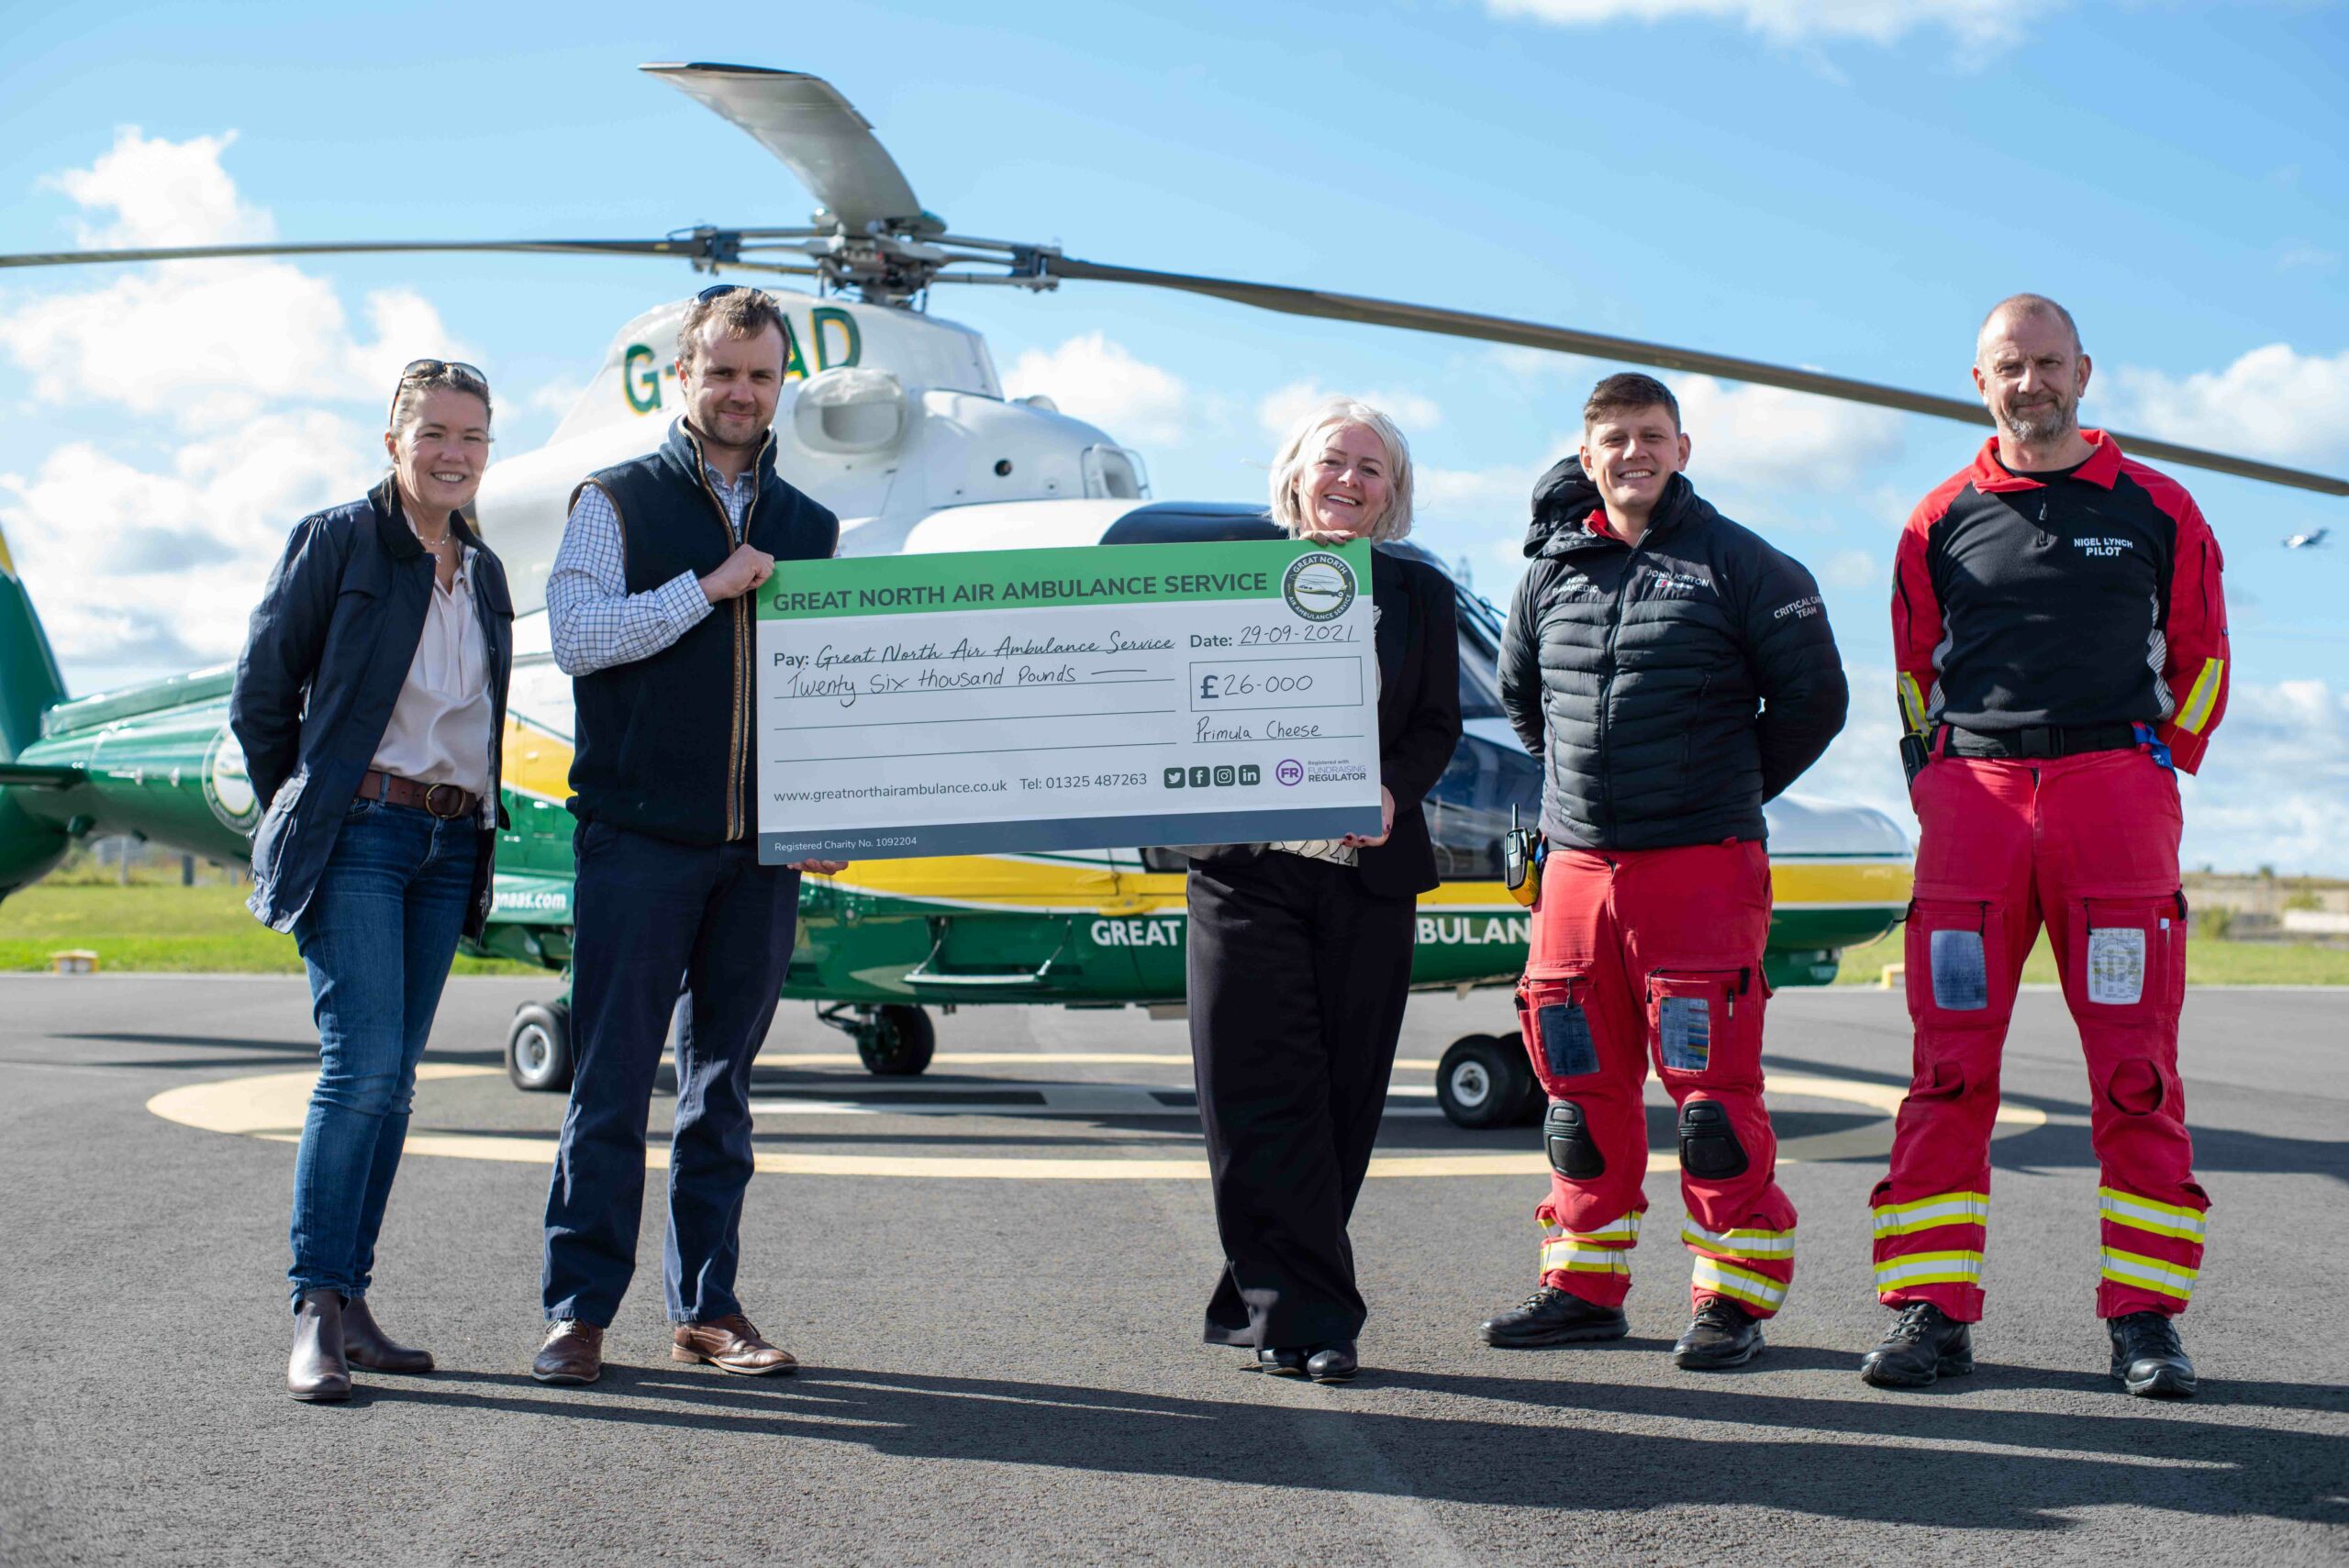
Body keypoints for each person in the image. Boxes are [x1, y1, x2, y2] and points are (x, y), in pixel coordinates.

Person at [1862, 295, 2228, 1398]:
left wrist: (2155, 765)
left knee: (2133, 1071)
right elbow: (1913, 674)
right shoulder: (1935, 518)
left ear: (2084, 371)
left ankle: (2144, 1318)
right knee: (1946, 1066)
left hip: (2111, 799)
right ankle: (1931, 1309)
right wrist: (1939, 779)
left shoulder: (2159, 505)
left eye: (2049, 364)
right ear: (1980, 379)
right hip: (1973, 803)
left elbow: (2204, 662)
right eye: (2010, 366)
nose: (2032, 383)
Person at [1479, 372, 1847, 1370]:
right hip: (1575, 869)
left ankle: (1731, 1295)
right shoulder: (1549, 571)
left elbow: (1814, 701)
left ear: (1682, 447)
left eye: (1652, 435)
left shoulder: (1744, 564)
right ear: (1587, 451)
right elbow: (1525, 703)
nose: (1633, 452)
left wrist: (1715, 789)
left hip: (1700, 865)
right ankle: (1580, 1286)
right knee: (1575, 1086)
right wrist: (1587, 803)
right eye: (1615, 438)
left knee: (1710, 1095)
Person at [532, 285, 846, 1386]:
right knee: (611, 1083)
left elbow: (818, 690)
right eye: (721, 371)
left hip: (757, 853)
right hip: (636, 840)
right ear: (683, 377)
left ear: (780, 384)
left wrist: (821, 809)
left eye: (760, 375)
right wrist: (706, 589)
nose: (741, 392)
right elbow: (574, 636)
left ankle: (707, 1310)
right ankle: (577, 1311)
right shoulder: (612, 500)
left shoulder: (811, 526)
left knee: (721, 1092)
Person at [232, 360, 514, 1401]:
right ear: (393, 440)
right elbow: (262, 693)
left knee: (394, 1081)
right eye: (434, 432)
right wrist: (308, 805)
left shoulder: (483, 573)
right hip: (360, 832)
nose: (454, 453)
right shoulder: (339, 539)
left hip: (448, 845)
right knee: (357, 1068)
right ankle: (314, 1308)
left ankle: (352, 1301)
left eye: (472, 437)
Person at [1185, 398, 1462, 1385]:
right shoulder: (1223, 582)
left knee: (1343, 1100)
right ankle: (1315, 1316)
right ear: (1294, 472)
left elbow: (1436, 724)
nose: (1349, 480)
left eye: (1371, 469)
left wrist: (1394, 787)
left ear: (1393, 495)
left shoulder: (1419, 595)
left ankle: (1263, 1301)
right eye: (1333, 461)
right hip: (1244, 874)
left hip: (1366, 880)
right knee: (1258, 1099)